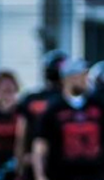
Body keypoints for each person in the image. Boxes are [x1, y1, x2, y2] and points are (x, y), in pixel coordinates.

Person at [32, 58, 104, 180]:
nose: (85, 80)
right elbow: (41, 144)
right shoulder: (54, 109)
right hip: (63, 174)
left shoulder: (99, 106)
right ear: (68, 78)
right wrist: (40, 175)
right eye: (81, 75)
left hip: (96, 174)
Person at [18, 50, 70, 179]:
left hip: (42, 160)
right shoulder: (70, 101)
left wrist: (20, 163)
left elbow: (21, 136)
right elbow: (22, 134)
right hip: (59, 163)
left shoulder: (32, 99)